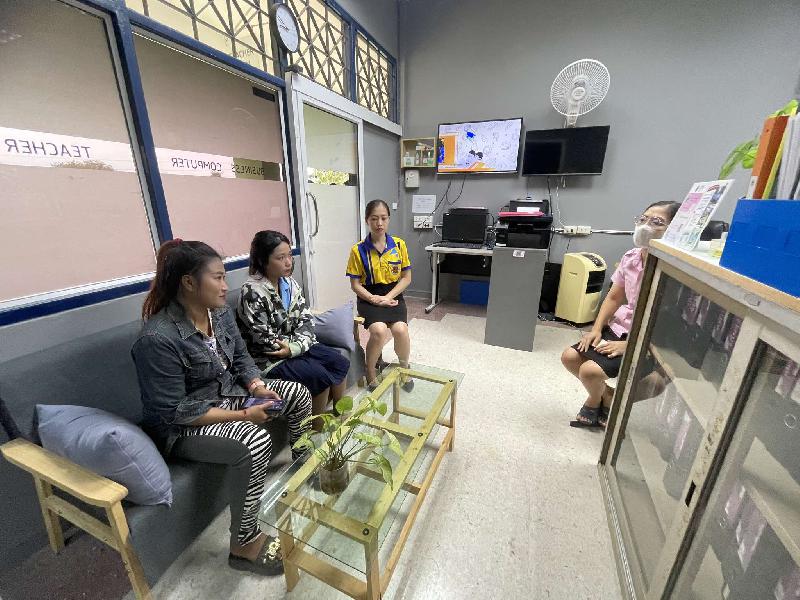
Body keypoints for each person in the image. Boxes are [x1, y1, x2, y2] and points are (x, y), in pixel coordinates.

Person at [131, 239, 312, 576]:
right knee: (255, 441)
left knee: (296, 394)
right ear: (189, 282)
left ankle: (303, 462)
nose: (225, 286)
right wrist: (244, 414)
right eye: (217, 278)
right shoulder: (157, 339)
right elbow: (175, 411)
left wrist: (257, 387)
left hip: (229, 395)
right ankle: (243, 543)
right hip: (183, 427)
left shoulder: (220, 313)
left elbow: (241, 358)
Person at [561, 200, 681, 428]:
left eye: (657, 222)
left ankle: (595, 400)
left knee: (589, 371)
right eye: (643, 219)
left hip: (651, 338)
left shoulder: (674, 268)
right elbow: (614, 297)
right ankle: (608, 397)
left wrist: (634, 345)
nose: (646, 226)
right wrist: (596, 329)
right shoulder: (632, 257)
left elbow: (670, 319)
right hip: (622, 326)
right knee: (570, 357)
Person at [237, 230, 349, 430]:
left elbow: (306, 321)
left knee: (339, 362)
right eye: (281, 258)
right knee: (318, 376)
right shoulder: (252, 292)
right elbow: (265, 341)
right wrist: (295, 346)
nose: (288, 262)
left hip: (293, 348)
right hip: (268, 358)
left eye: (289, 255)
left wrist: (294, 347)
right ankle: (316, 430)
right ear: (263, 260)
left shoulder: (290, 283)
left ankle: (342, 417)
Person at [346, 199, 413, 390]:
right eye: (374, 219)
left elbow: (406, 278)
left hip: (393, 295)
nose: (379, 223)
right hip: (369, 297)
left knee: (401, 330)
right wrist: (373, 299)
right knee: (379, 331)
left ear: (389, 219)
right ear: (367, 220)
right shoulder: (358, 250)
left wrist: (388, 297)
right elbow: (355, 284)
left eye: (383, 218)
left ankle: (404, 368)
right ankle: (370, 370)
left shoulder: (399, 245)